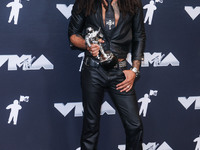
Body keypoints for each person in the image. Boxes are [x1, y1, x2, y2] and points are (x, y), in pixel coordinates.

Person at [68, 0, 146, 149]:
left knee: (134, 125)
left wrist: (134, 70)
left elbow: (139, 36)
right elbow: (72, 35)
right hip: (93, 71)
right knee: (90, 126)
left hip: (120, 72)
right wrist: (88, 45)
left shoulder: (133, 3)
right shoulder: (85, 2)